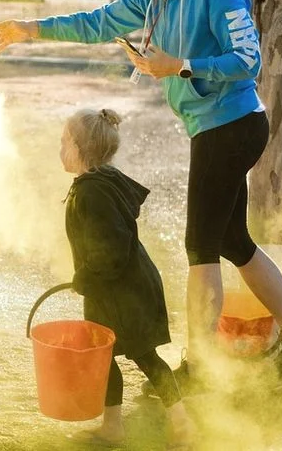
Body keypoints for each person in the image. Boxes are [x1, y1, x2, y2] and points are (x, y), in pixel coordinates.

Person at [0, 0, 282, 389]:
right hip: (214, 128)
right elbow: (100, 21)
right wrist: (30, 29)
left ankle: (199, 369)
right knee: (233, 242)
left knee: (200, 248)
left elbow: (247, 60)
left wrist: (180, 66)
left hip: (232, 126)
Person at [60, 109, 193, 449]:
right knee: (103, 357)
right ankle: (112, 427)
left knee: (145, 357)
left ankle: (183, 426)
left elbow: (112, 250)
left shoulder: (93, 192)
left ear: (79, 149)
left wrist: (85, 277)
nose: (59, 150)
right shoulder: (94, 184)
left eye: (64, 143)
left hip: (125, 293)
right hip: (112, 291)